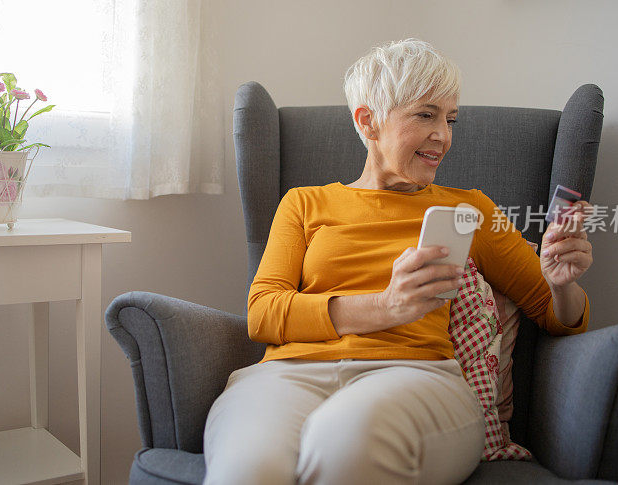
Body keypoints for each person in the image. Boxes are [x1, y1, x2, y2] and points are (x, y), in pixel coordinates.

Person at [202, 38, 592, 485]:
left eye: (450, 119)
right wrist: (385, 307)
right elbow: (263, 314)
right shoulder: (304, 203)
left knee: (347, 443)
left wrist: (561, 283)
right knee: (247, 469)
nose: (443, 135)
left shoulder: (473, 211)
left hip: (418, 376)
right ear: (368, 121)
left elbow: (556, 315)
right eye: (425, 115)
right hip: (288, 375)